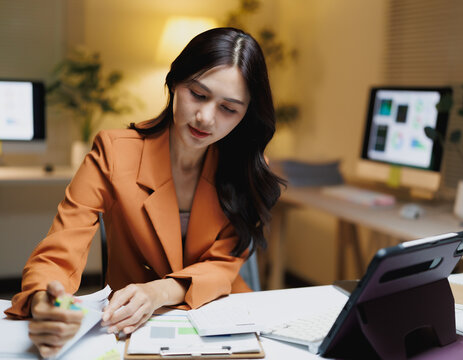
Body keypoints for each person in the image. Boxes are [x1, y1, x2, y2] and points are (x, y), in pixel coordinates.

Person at [5, 27, 284, 358]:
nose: (205, 118)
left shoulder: (246, 167)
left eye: (229, 109)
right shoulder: (113, 151)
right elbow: (62, 247)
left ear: (245, 114)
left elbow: (225, 263)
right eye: (198, 94)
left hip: (219, 314)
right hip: (134, 322)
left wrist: (161, 291)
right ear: (175, 83)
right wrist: (46, 303)